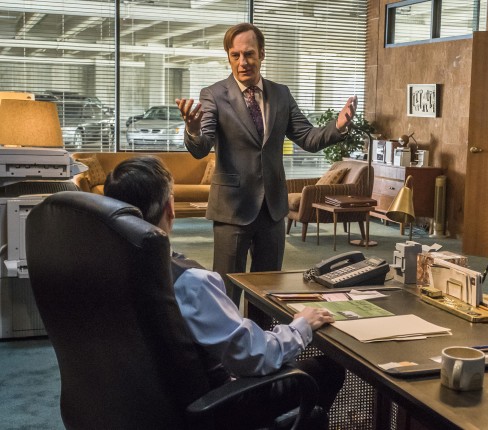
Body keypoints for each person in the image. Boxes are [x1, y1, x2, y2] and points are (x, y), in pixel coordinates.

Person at [104, 155, 345, 429]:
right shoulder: (190, 282)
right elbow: (253, 357)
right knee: (327, 369)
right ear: (170, 209)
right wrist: (300, 327)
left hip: (141, 403)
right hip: (214, 409)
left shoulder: (100, 269)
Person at [175, 22, 357, 304]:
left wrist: (338, 126)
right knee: (226, 291)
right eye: (235, 55)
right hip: (232, 209)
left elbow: (308, 138)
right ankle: (228, 335)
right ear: (229, 57)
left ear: (262, 53)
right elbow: (201, 148)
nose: (242, 62)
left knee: (268, 290)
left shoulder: (281, 94)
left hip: (272, 209)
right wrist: (193, 129)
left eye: (249, 54)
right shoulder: (214, 94)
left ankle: (263, 333)